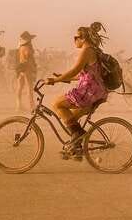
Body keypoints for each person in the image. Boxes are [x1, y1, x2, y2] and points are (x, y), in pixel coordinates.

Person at [45, 23, 110, 155]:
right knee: (71, 119)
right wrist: (62, 78)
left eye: (76, 37)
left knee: (56, 104)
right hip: (96, 91)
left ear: (83, 38)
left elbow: (75, 69)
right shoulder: (92, 50)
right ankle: (77, 149)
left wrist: (55, 80)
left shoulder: (87, 50)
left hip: (89, 92)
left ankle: (80, 136)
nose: (74, 40)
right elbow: (84, 75)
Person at [14, 31, 38, 112]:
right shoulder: (27, 47)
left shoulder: (20, 47)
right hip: (27, 69)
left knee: (20, 87)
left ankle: (18, 105)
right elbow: (28, 56)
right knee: (29, 88)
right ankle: (31, 105)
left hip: (20, 69)